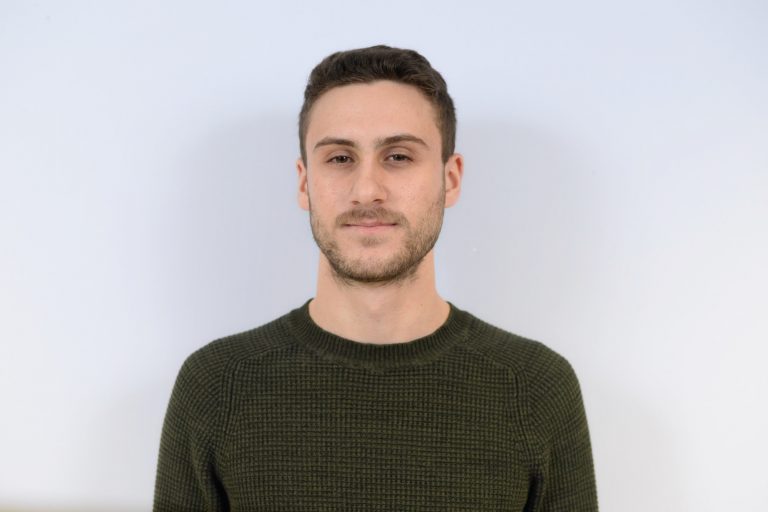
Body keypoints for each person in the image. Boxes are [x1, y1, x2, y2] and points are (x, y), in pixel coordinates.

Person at [153, 45, 598, 511]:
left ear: (451, 179)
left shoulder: (534, 387)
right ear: (304, 183)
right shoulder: (218, 386)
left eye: (398, 156)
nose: (367, 191)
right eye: (340, 159)